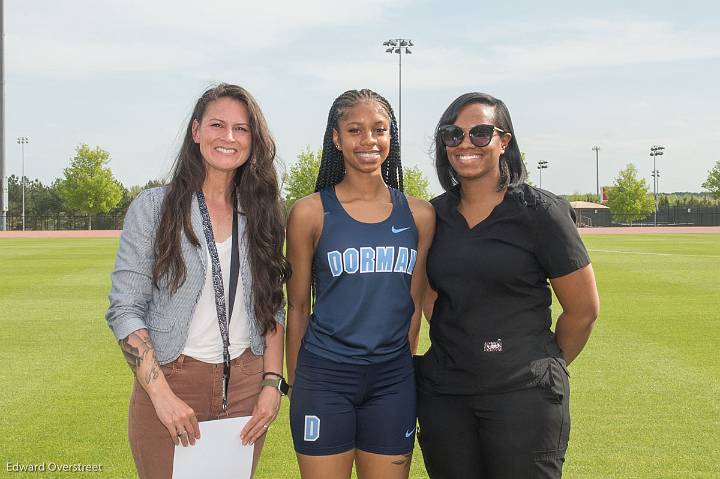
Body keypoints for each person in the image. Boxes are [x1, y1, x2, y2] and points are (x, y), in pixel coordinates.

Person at [105, 83, 290, 479]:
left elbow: (272, 305)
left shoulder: (264, 212)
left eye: (241, 129)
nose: (228, 137)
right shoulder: (154, 208)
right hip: (172, 381)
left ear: (253, 139)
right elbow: (125, 309)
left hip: (245, 385)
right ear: (195, 131)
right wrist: (162, 395)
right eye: (217, 125)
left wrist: (272, 384)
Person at [415, 92, 600, 479]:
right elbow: (430, 294)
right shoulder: (434, 216)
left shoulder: (542, 213)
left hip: (524, 396)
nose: (465, 143)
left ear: (504, 141)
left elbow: (583, 310)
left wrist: (537, 363)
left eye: (481, 133)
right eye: (453, 134)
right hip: (447, 393)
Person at [285, 89, 435, 479]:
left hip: (392, 379)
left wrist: (397, 365)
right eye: (355, 129)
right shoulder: (309, 212)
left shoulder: (419, 215)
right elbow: (298, 307)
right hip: (324, 376)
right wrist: (300, 384)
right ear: (336, 138)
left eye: (379, 129)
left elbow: (414, 304)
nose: (368, 140)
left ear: (391, 137)